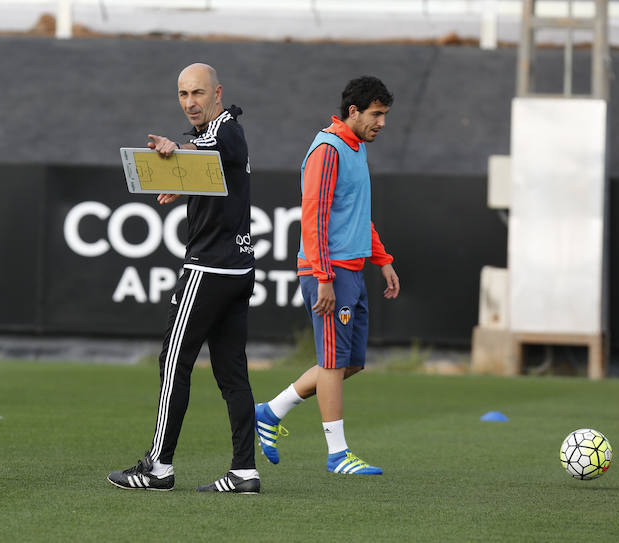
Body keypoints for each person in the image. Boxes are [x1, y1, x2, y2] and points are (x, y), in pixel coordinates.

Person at [108, 63, 260, 493]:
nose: (190, 102)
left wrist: (176, 152)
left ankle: (158, 467)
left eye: (197, 93)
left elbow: (205, 147)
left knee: (173, 362)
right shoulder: (225, 133)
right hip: (238, 268)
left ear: (217, 93)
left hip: (208, 269)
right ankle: (245, 472)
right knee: (232, 373)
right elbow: (213, 163)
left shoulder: (224, 127)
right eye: (182, 94)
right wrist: (186, 177)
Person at [254, 76, 400, 475]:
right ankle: (338, 455)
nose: (382, 123)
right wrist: (322, 276)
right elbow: (313, 218)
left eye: (384, 115)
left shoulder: (356, 148)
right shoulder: (328, 150)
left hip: (352, 270)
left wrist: (382, 258)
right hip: (329, 273)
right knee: (333, 364)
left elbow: (356, 214)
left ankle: (270, 411)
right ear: (354, 112)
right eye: (377, 114)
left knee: (350, 363)